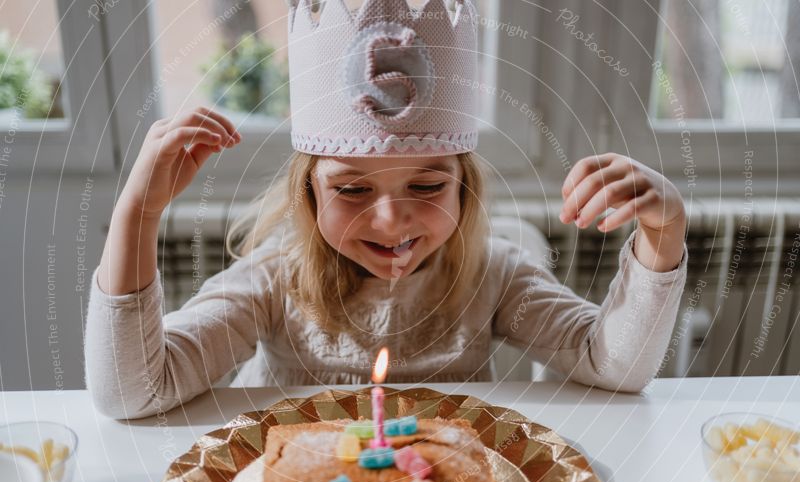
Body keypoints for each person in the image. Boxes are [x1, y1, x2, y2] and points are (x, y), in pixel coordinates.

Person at [84, 0, 687, 419]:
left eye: (427, 189)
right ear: (310, 191)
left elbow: (615, 366)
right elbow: (134, 394)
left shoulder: (495, 277)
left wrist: (663, 235)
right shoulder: (273, 281)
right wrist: (137, 214)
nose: (392, 222)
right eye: (352, 191)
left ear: (463, 190)